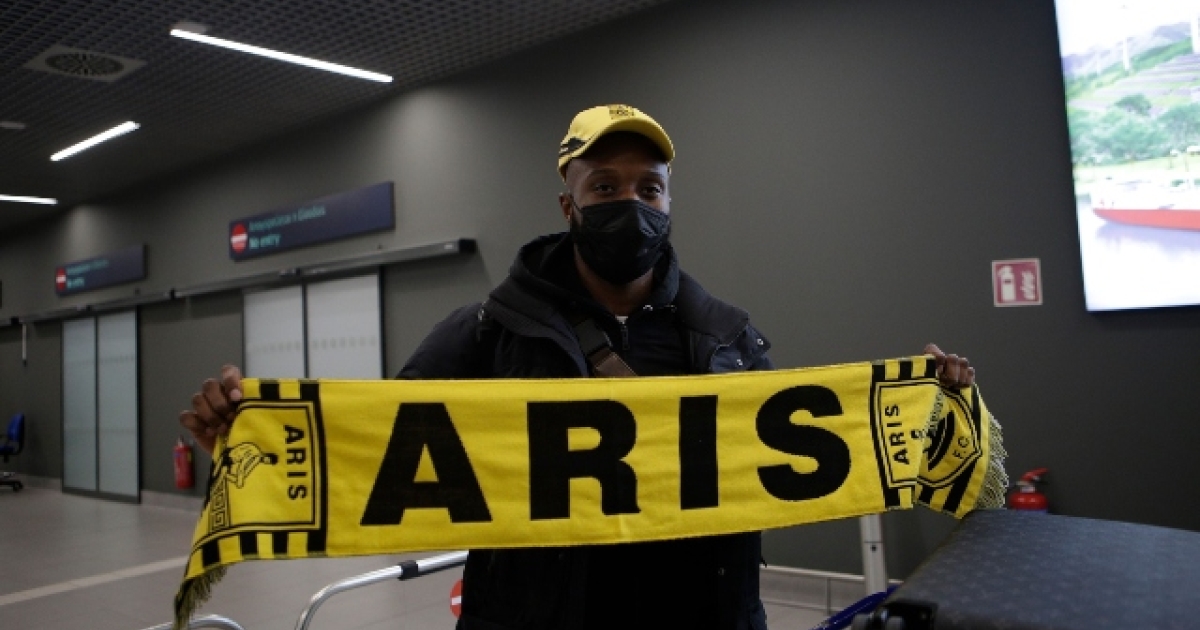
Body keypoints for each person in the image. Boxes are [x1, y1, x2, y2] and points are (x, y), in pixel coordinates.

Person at [181, 104, 975, 630]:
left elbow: (808, 452)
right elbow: (373, 453)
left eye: (649, 188)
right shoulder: (484, 334)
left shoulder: (727, 337)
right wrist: (253, 443)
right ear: (568, 204)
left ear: (669, 205)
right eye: (604, 186)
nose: (631, 202)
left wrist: (930, 410)